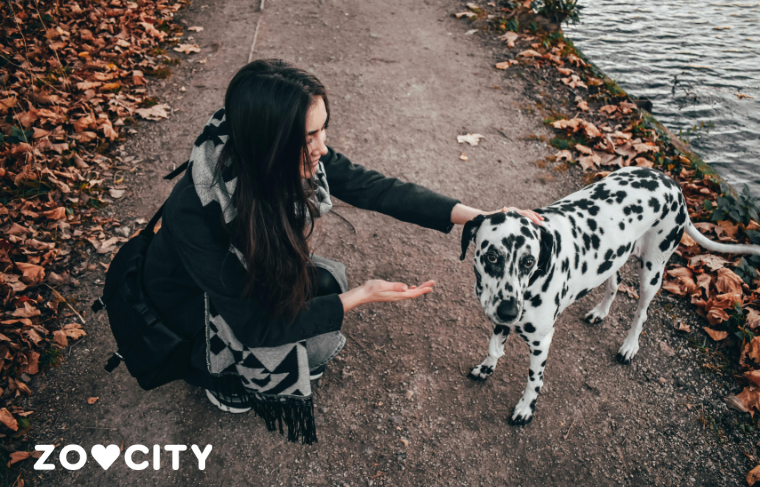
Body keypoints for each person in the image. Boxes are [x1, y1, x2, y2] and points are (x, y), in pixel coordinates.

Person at [142, 59, 541, 442]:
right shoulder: (197, 211)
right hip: (192, 313)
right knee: (316, 340)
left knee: (326, 286)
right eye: (309, 138)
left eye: (323, 131)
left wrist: (480, 218)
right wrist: (362, 296)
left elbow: (374, 187)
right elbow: (255, 325)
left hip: (238, 281)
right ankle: (222, 379)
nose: (321, 149)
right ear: (270, 141)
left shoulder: (271, 153)